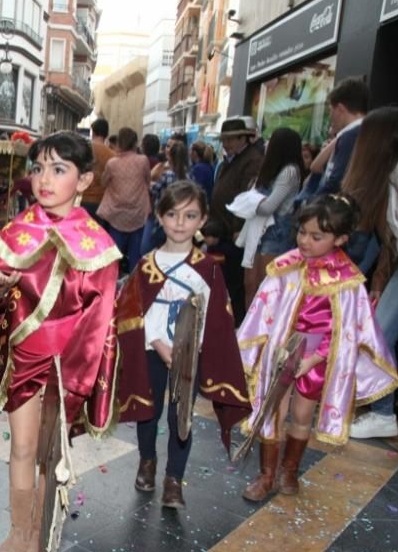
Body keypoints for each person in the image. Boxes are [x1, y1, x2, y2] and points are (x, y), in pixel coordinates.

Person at [0, 131, 120, 552]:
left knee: (50, 454)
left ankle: (41, 532)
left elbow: (99, 320)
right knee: (22, 449)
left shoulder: (97, 245)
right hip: (23, 358)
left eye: (59, 170)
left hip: (68, 367)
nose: (44, 180)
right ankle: (18, 531)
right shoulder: (18, 230)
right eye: (39, 168)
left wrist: (77, 381)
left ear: (84, 180)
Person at [238, 194, 398, 501]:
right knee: (273, 409)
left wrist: (313, 359)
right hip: (283, 352)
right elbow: (266, 308)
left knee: (301, 415)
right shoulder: (287, 268)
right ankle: (266, 475)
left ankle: (289, 470)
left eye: (316, 236)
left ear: (340, 239)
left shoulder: (346, 281)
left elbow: (345, 329)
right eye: (302, 232)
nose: (305, 241)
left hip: (316, 358)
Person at [115, 181, 249, 509]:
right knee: (148, 410)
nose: (179, 222)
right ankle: (147, 461)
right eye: (172, 214)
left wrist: (189, 349)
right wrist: (159, 342)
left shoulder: (208, 268)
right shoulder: (147, 265)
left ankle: (174, 479)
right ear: (160, 217)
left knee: (181, 416)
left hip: (190, 355)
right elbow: (131, 313)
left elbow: (217, 319)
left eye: (189, 216)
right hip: (152, 349)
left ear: (202, 220)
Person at [346, 108, 398, 439]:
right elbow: (390, 242)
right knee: (377, 337)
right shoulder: (384, 182)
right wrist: (379, 283)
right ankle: (382, 414)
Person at [239, 127, 303, 305]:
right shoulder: (269, 170)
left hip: (275, 233)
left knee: (266, 288)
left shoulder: (290, 171)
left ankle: (264, 330)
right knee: (250, 285)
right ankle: (248, 329)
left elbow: (269, 207)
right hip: (258, 231)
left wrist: (247, 204)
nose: (266, 145)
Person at [211, 117, 263, 324]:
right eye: (224, 139)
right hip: (222, 228)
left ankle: (237, 323)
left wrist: (238, 228)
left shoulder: (253, 160)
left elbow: (247, 197)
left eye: (231, 139)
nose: (226, 144)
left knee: (236, 282)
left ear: (244, 138)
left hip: (236, 232)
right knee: (225, 280)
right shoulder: (230, 160)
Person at [99, 127, 152, 270]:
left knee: (113, 254)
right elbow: (148, 181)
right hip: (137, 212)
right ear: (135, 142)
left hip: (116, 213)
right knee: (135, 255)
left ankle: (110, 284)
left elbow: (104, 182)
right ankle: (134, 285)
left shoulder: (112, 163)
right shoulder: (142, 161)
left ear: (120, 142)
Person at [142, 141, 189, 254]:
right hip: (178, 217)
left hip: (160, 218)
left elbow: (154, 190)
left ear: (171, 158)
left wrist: (150, 184)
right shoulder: (189, 176)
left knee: (145, 249)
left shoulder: (167, 175)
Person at [80, 118, 114, 215]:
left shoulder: (84, 149)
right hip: (103, 201)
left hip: (85, 198)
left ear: (93, 132)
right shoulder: (111, 155)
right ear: (107, 134)